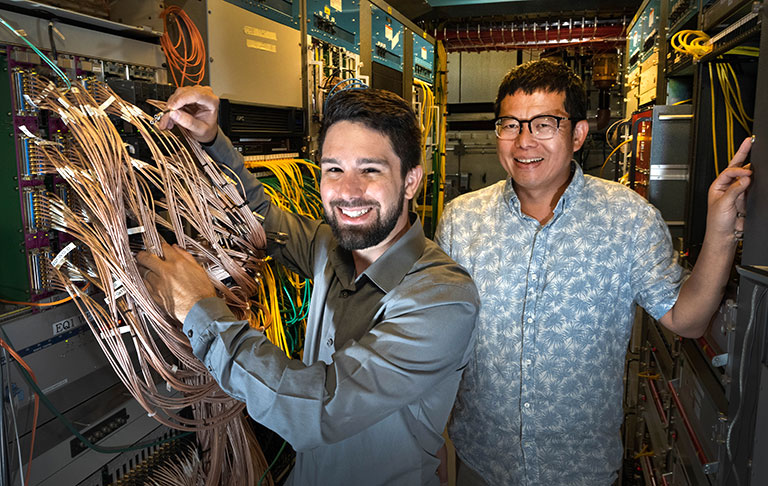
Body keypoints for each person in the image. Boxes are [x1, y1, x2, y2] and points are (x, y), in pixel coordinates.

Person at [138, 86, 479, 485]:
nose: (348, 191)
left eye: (370, 170)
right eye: (334, 169)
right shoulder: (328, 247)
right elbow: (258, 215)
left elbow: (317, 411)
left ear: (410, 181)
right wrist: (213, 139)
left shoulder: (443, 298)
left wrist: (198, 307)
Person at [434, 59, 752, 485]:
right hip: (481, 461)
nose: (524, 141)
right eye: (510, 125)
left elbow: (687, 320)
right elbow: (440, 342)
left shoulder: (628, 219)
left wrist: (721, 231)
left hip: (582, 470)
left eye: (544, 124)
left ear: (578, 134)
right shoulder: (461, 220)